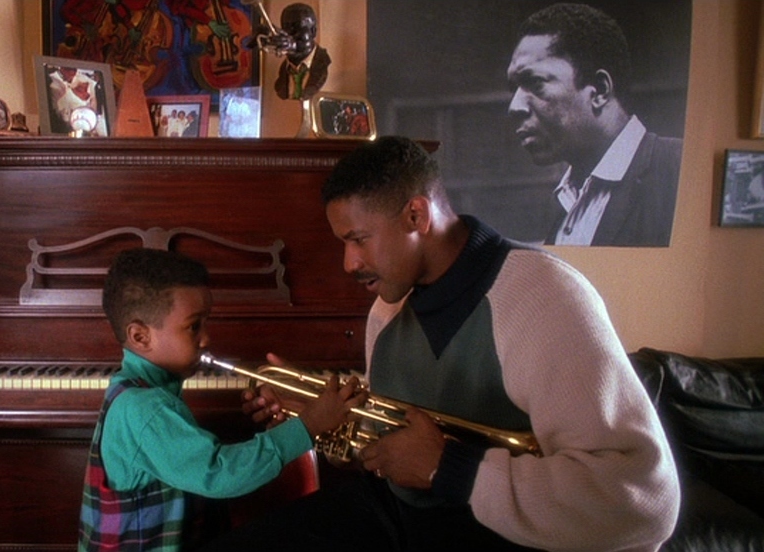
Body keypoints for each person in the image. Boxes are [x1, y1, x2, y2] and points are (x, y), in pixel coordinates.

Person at [204, 136, 680, 551]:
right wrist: (320, 420)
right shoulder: (386, 311)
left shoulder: (545, 297)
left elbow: (642, 500)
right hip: (400, 514)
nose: (348, 263)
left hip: (491, 533)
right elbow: (393, 449)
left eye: (359, 240)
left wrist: (449, 470)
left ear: (416, 214)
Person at [79, 247, 364, 552]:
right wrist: (308, 426)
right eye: (194, 326)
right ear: (140, 337)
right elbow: (217, 475)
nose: (206, 338)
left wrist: (286, 422)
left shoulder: (141, 392)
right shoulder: (144, 408)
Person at [507, 3, 683, 247]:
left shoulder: (681, 172)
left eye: (535, 83)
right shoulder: (566, 199)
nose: (514, 106)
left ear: (599, 90)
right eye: (513, 88)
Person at [271, 3, 331, 101]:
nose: (290, 35)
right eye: (286, 28)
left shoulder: (323, 64)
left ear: (313, 31)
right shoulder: (283, 70)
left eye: (297, 27)